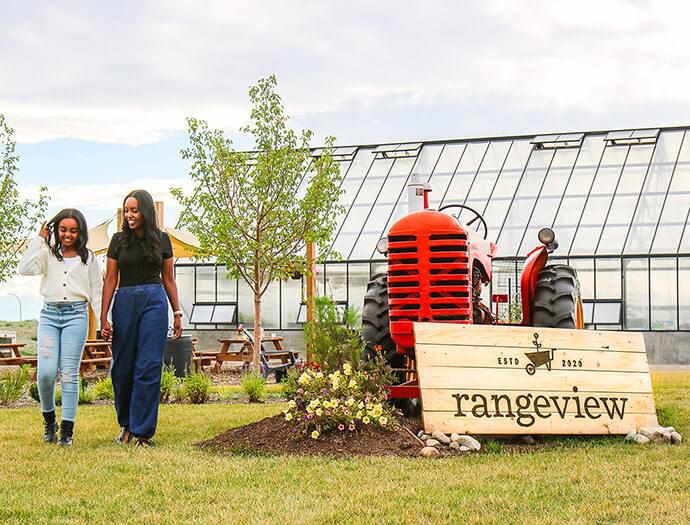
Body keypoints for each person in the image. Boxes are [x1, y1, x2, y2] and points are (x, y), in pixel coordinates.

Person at [100, 189, 182, 447]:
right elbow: (111, 279)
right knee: (122, 368)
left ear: (145, 211)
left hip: (154, 302)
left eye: (134, 210)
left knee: (148, 366)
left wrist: (177, 312)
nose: (129, 215)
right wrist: (103, 317)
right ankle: (126, 424)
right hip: (124, 302)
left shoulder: (162, 240)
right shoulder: (118, 240)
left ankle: (142, 432)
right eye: (126, 210)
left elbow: (168, 279)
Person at [18, 209, 102, 446]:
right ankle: (49, 422)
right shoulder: (47, 254)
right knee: (45, 374)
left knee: (68, 374)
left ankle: (66, 431)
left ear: (80, 232)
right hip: (49, 317)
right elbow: (24, 269)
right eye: (63, 229)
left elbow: (96, 292)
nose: (67, 234)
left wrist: (107, 320)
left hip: (76, 316)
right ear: (56, 230)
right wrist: (39, 239)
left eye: (73, 230)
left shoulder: (89, 258)